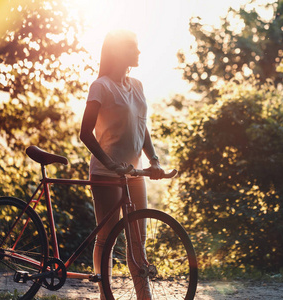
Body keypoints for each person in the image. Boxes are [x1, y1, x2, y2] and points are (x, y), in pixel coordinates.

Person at [80, 29, 164, 300]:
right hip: (106, 173)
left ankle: (144, 297)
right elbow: (85, 132)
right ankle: (105, 294)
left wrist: (154, 160)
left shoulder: (137, 85)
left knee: (138, 239)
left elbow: (142, 127)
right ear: (118, 51)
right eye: (133, 47)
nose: (139, 52)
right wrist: (109, 163)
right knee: (107, 238)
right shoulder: (100, 86)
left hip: (135, 173)